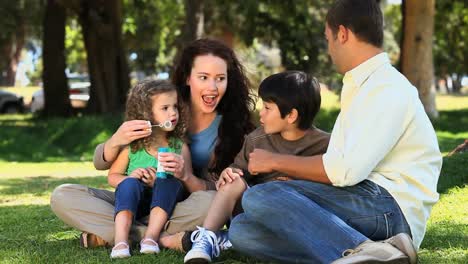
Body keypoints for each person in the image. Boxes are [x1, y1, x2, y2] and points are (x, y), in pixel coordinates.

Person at [228, 1, 442, 264]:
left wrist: (274, 161)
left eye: (329, 39)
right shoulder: (360, 86)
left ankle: (368, 251)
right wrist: (298, 190)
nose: (329, 50)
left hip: (391, 208)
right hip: (364, 202)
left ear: (343, 34)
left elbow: (344, 171)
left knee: (260, 195)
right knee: (243, 231)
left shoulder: (386, 87)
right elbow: (342, 167)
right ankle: (367, 254)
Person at [50, 38, 256, 252]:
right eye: (203, 77)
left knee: (212, 202)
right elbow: (101, 165)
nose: (212, 87)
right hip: (133, 198)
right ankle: (158, 238)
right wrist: (117, 139)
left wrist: (186, 177)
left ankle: (121, 235)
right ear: (187, 77)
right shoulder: (161, 106)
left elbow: (225, 191)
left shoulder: (233, 128)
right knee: (63, 195)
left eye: (220, 78)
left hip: (179, 205)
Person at [183, 71, 330, 263]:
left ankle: (228, 239)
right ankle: (206, 239)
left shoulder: (326, 145)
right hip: (253, 212)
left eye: (268, 108)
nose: (261, 113)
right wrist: (229, 172)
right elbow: (239, 172)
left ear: (291, 115)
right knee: (234, 181)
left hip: (296, 217)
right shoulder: (256, 139)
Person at [108, 79, 190, 258]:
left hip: (166, 203)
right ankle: (120, 242)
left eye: (175, 106)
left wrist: (161, 181)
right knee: (129, 184)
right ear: (147, 114)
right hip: (135, 203)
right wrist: (131, 178)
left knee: (168, 182)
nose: (173, 112)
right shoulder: (133, 147)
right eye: (165, 108)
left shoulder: (179, 147)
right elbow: (112, 176)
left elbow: (186, 181)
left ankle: (150, 238)